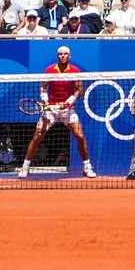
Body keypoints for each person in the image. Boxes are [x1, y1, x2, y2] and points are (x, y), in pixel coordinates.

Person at [19, 44, 94, 178]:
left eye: (65, 54)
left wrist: (70, 100)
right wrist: (45, 100)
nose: (62, 56)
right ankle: (25, 166)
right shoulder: (50, 70)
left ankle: (87, 167)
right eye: (60, 54)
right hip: (51, 109)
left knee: (80, 137)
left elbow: (80, 90)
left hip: (68, 110)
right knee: (37, 136)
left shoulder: (75, 71)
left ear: (69, 56)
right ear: (57, 56)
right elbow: (43, 87)